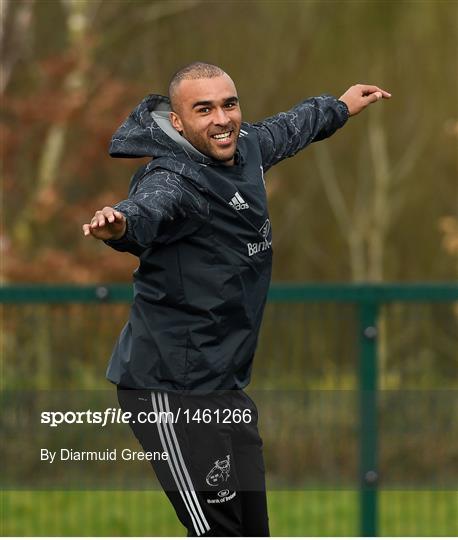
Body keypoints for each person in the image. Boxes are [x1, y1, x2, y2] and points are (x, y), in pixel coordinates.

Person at [82, 62, 390, 536]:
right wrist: (119, 225)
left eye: (229, 104)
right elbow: (146, 210)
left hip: (223, 385)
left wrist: (342, 106)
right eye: (204, 109)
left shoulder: (246, 148)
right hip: (170, 390)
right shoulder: (174, 180)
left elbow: (290, 128)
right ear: (178, 122)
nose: (222, 118)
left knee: (251, 531)